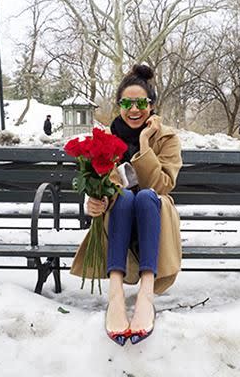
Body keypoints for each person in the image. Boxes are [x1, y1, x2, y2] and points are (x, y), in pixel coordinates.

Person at [70, 64, 182, 346]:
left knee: (144, 197)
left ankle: (146, 292)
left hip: (154, 215)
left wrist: (145, 144)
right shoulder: (105, 141)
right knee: (125, 197)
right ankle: (116, 294)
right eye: (127, 103)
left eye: (141, 102)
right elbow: (104, 187)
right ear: (118, 105)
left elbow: (161, 186)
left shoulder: (166, 138)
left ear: (152, 105)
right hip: (118, 218)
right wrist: (93, 202)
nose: (134, 109)